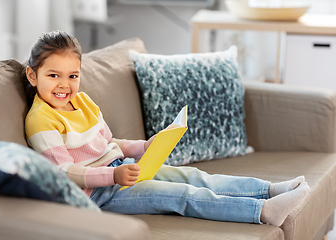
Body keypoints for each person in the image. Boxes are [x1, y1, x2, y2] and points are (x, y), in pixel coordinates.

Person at [23, 30, 310, 226]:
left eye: (72, 75)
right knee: (183, 196)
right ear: (33, 75)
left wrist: (144, 147)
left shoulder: (82, 101)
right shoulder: (40, 120)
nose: (64, 84)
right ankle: (263, 212)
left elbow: (112, 143)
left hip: (124, 168)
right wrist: (113, 174)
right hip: (98, 194)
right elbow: (63, 173)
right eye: (53, 75)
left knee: (194, 176)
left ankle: (268, 190)